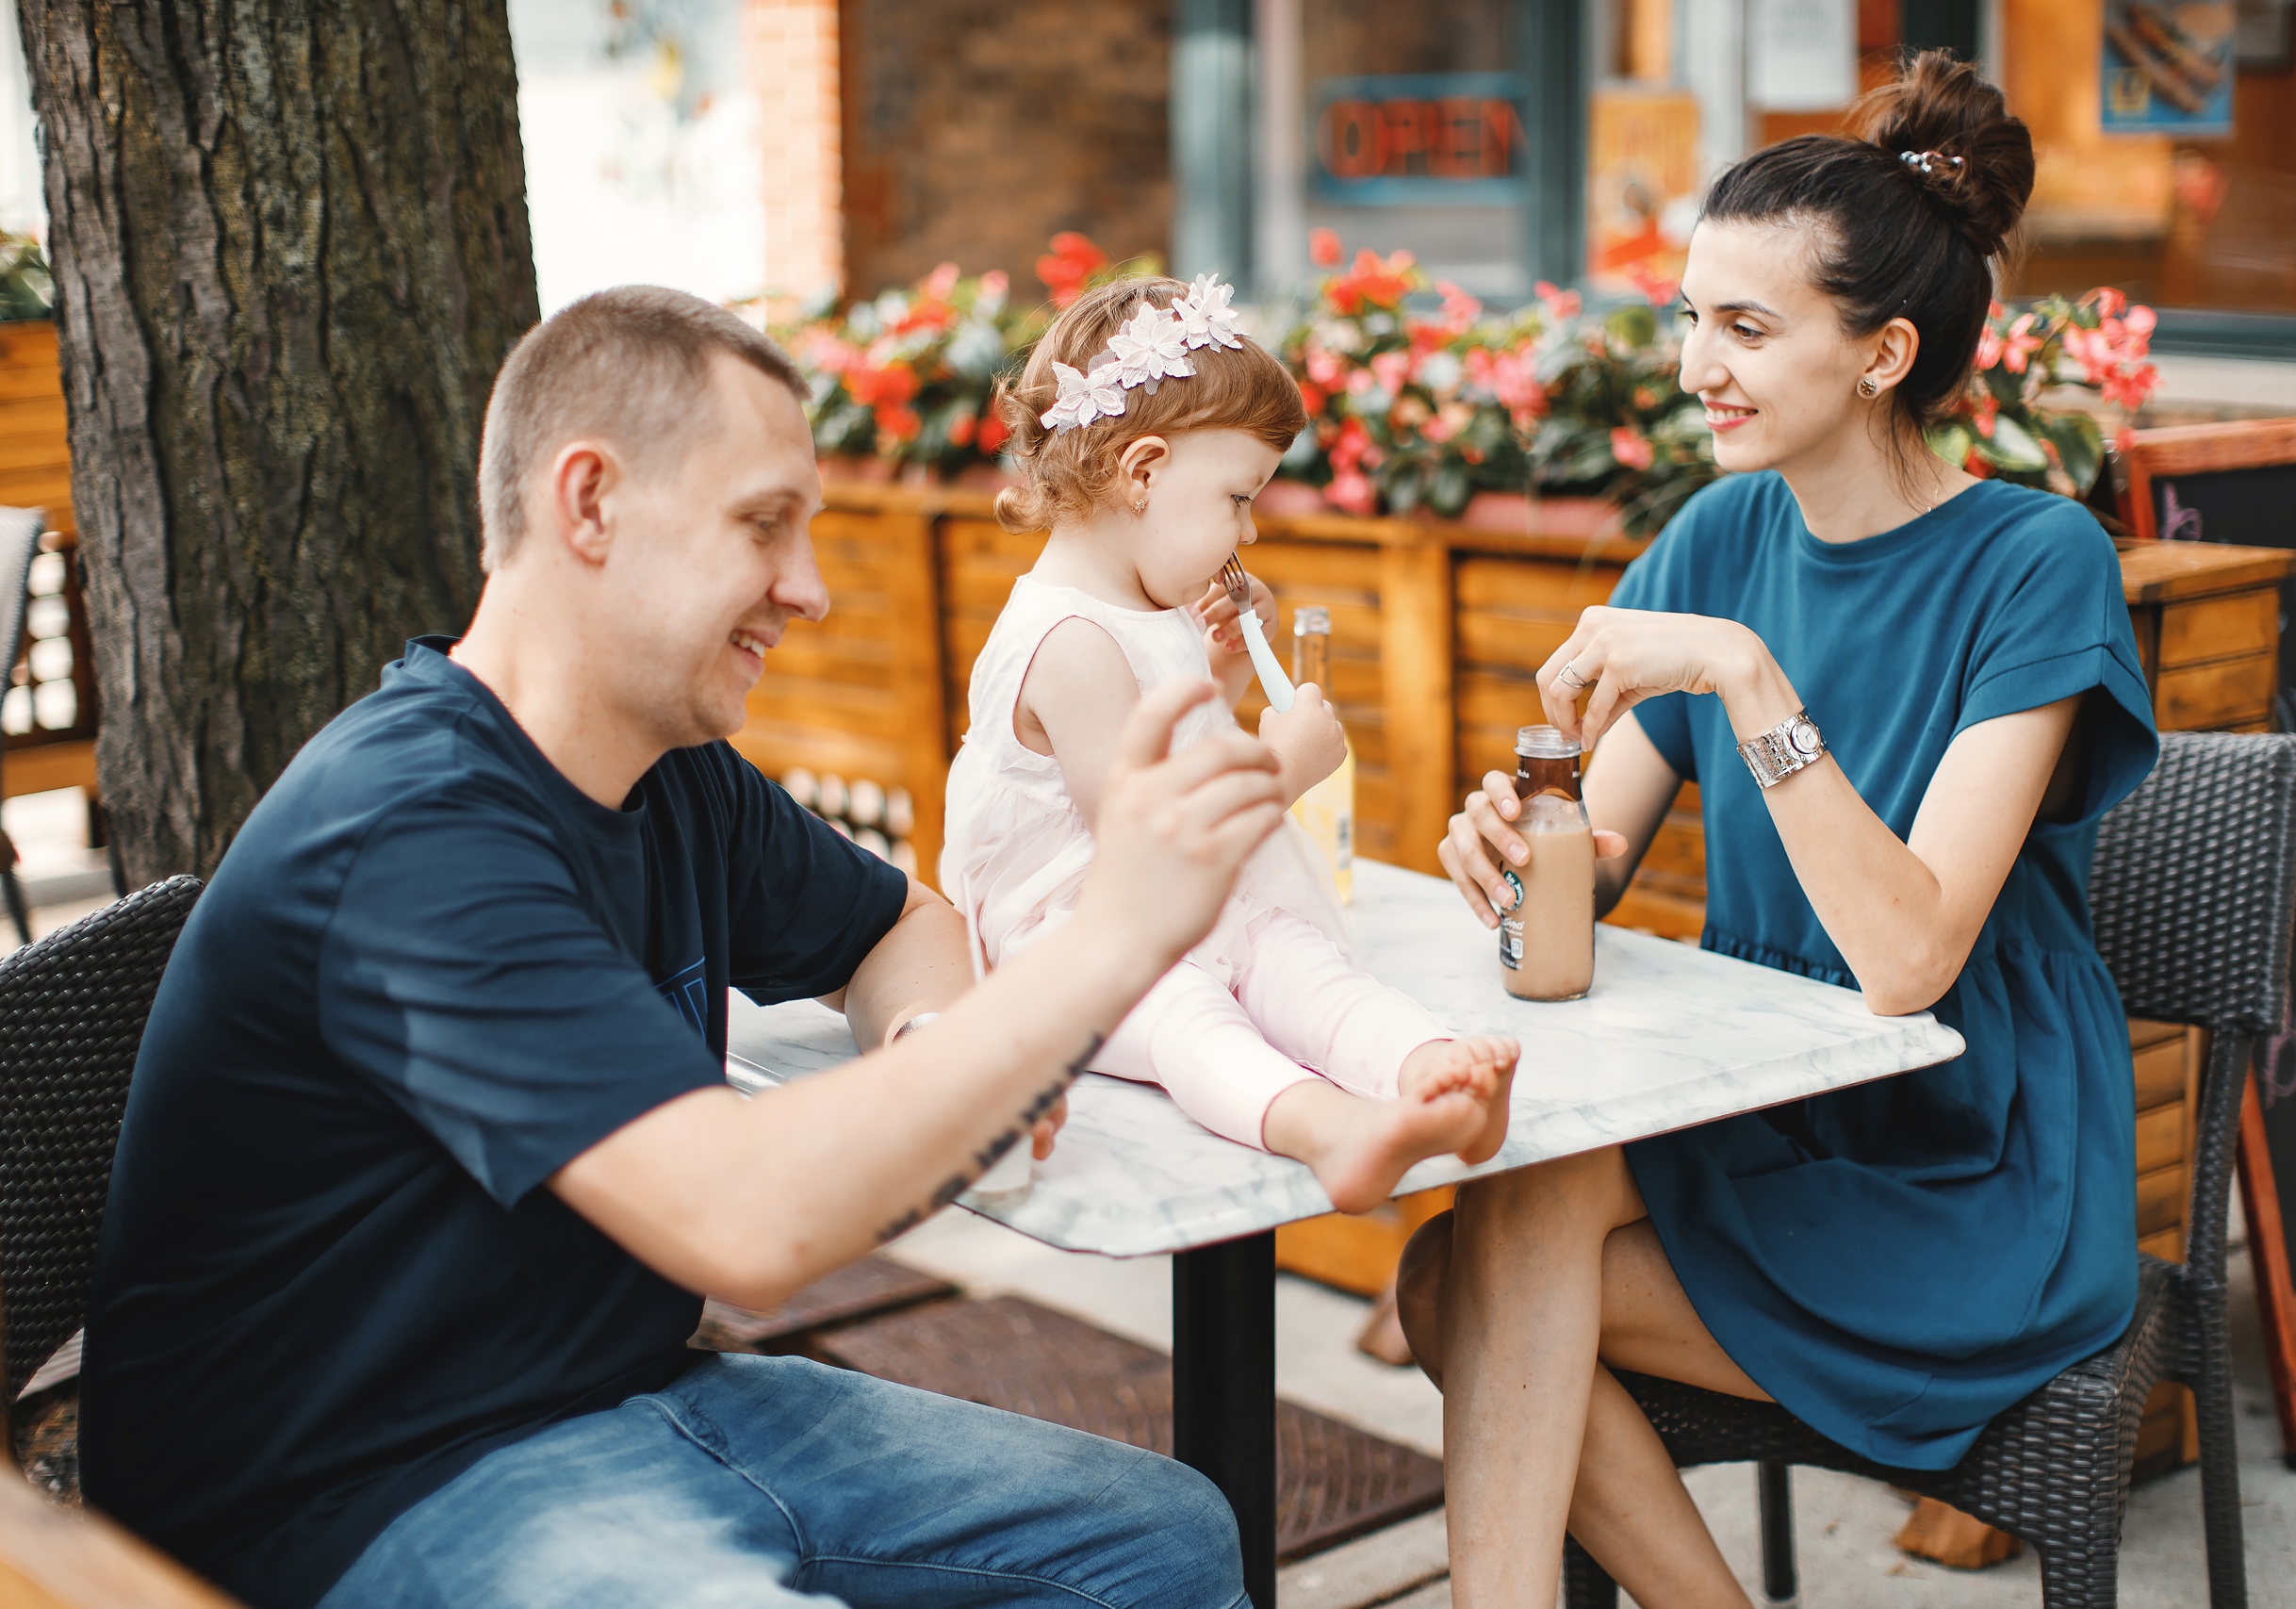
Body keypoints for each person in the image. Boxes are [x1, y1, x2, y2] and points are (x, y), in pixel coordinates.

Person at [80, 287, 1281, 1609]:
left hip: (636, 1398)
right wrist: (1114, 936)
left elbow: (898, 923)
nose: (811, 589)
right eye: (764, 524)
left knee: (1165, 1537)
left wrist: (932, 1040)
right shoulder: (408, 834)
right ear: (587, 504)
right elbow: (746, 1224)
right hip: (357, 1495)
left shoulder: (673, 773)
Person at [1396, 53, 2159, 1606]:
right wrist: (1514, 854)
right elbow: (1587, 867)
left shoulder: (2036, 563)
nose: (1693, 367)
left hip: (1965, 1162)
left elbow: (1909, 956)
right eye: (1689, 316)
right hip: (1761, 1103)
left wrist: (1745, 673)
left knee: (1471, 1278)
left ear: (1884, 352)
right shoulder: (1719, 529)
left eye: (1744, 327)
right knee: (1469, 1247)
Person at [940, 273, 1517, 1215]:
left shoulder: (1138, 607)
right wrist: (1286, 766)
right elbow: (1145, 837)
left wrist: (1221, 672)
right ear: (1143, 471)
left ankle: (1430, 1074)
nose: (1248, 531)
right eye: (1237, 499)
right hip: (1082, 949)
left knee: (1302, 965)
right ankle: (1329, 1132)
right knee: (1186, 1018)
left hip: (1186, 914)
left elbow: (1170, 737)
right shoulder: (1069, 641)